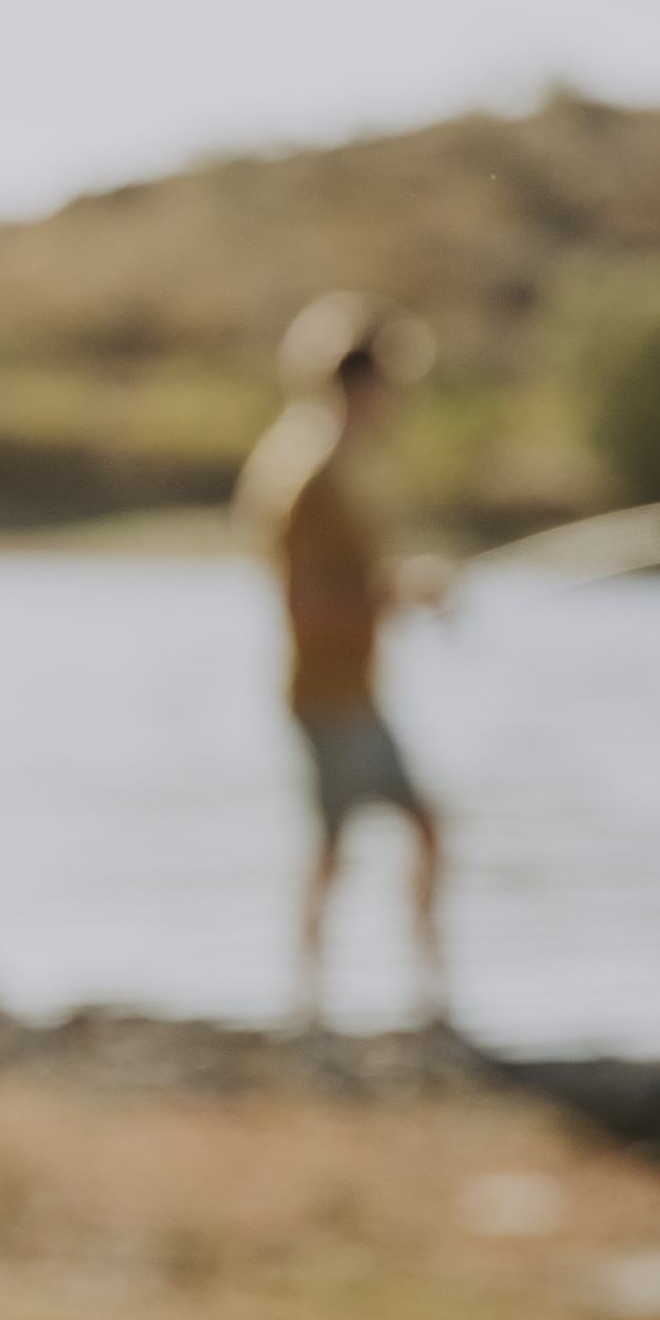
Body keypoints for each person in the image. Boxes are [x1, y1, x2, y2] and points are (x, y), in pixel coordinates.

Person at [234, 293, 446, 1034]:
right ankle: (311, 1002)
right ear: (359, 385)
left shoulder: (338, 470)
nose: (393, 401)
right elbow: (309, 604)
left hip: (357, 693)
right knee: (337, 844)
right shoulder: (310, 478)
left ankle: (421, 994)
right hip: (326, 696)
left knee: (417, 827)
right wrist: (395, 602)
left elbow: (352, 586)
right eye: (387, 384)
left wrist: (398, 595)